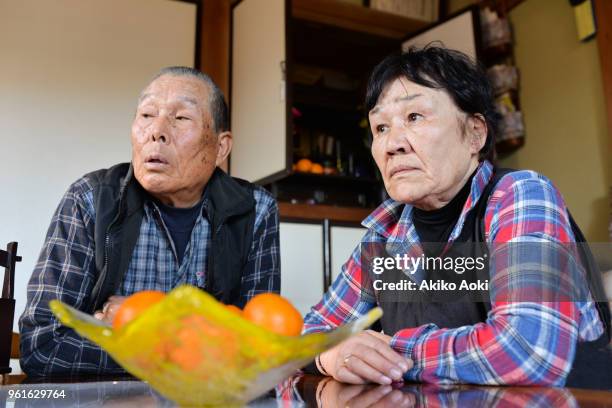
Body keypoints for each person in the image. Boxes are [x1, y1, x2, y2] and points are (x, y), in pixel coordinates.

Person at [303, 46, 609, 387]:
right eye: (380, 128)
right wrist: (329, 355)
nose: (392, 144)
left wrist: (388, 352)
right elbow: (310, 334)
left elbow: (528, 349)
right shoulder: (384, 235)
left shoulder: (519, 195)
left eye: (414, 117)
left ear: (475, 133)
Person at [19, 67, 280, 376]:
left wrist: (142, 328)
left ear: (220, 147)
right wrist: (189, 350)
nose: (157, 131)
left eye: (181, 118)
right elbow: (42, 345)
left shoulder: (255, 210)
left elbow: (257, 349)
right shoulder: (90, 199)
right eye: (146, 115)